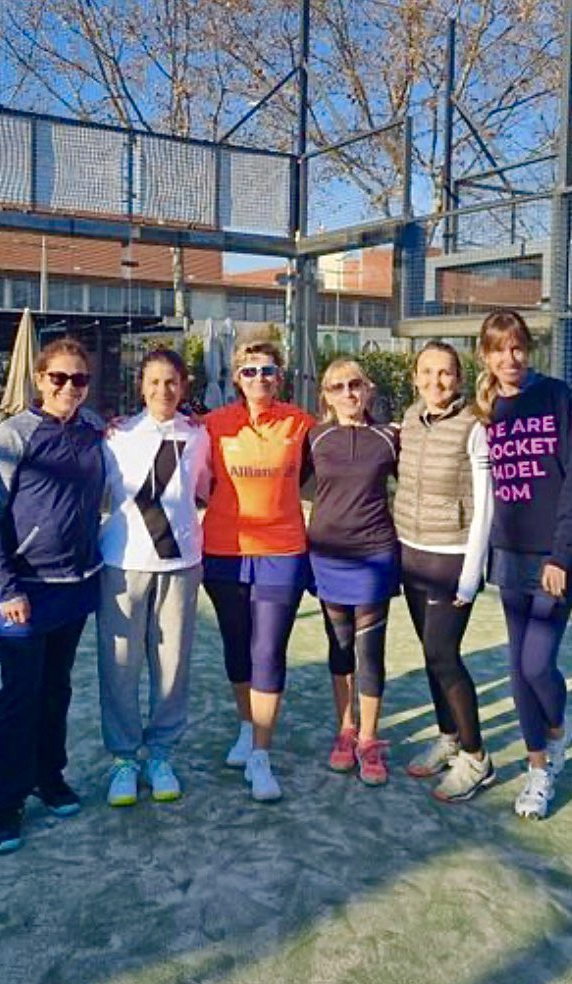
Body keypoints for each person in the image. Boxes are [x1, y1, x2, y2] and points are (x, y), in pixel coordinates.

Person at [0, 338, 105, 853]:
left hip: (73, 591)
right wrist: (7, 587)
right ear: (39, 379)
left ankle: (48, 777)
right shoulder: (12, 435)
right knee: (18, 696)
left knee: (56, 689)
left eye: (79, 380)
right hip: (22, 593)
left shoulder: (96, 431)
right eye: (59, 378)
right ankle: (4, 803)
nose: (69, 388)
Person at [476, 308, 572, 820]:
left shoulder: (559, 400)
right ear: (486, 355)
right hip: (508, 556)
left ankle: (556, 727)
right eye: (500, 349)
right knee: (516, 668)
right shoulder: (483, 411)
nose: (511, 358)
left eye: (518, 347)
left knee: (536, 664)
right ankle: (538, 769)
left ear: (529, 350)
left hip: (555, 561)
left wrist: (561, 556)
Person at [202, 339, 315, 802]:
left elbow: (329, 455)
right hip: (224, 551)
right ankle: (247, 728)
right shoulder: (212, 425)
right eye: (249, 372)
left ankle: (261, 755)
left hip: (282, 552)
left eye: (268, 371)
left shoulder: (299, 422)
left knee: (268, 650)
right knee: (237, 648)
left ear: (280, 376)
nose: (259, 380)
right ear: (236, 378)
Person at [97, 349, 210, 808]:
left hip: (181, 567)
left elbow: (202, 490)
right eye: (154, 382)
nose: (163, 390)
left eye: (172, 382)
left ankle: (161, 754)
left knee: (172, 670)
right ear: (141, 387)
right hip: (122, 566)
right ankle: (124, 759)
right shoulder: (115, 436)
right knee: (120, 668)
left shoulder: (200, 436)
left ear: (183, 386)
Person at [393, 342, 495, 803]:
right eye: (427, 373)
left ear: (459, 377)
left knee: (442, 654)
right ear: (414, 377)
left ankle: (476, 757)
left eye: (446, 374)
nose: (436, 383)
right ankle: (449, 737)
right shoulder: (410, 422)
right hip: (411, 556)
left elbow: (485, 504)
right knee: (430, 654)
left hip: (452, 560)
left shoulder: (474, 424)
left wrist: (472, 574)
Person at [307, 358, 399, 785]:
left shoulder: (390, 436)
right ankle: (345, 731)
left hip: (375, 555)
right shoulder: (314, 437)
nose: (348, 393)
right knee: (339, 647)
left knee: (369, 651)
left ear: (368, 389)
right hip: (326, 557)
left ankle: (368, 738)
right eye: (338, 387)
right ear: (326, 395)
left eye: (355, 385)